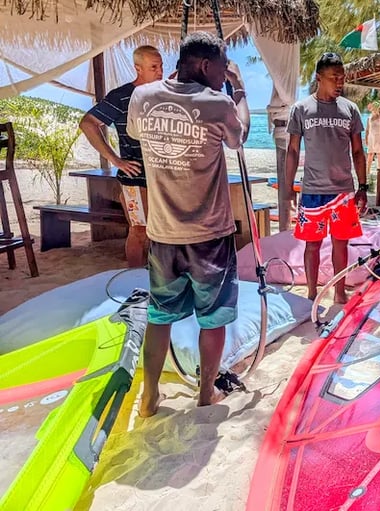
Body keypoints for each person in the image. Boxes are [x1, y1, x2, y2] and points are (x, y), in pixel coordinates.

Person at [126, 32, 250, 417]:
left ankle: (150, 396)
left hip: (163, 234)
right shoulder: (219, 103)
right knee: (212, 320)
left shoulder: (142, 98)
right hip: (209, 236)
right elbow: (240, 136)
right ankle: (205, 393)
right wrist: (240, 91)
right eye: (221, 68)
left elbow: (134, 132)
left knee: (159, 315)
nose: (223, 75)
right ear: (205, 65)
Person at [286, 52, 367, 304]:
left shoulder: (350, 110)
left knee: (341, 245)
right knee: (312, 245)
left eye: (342, 77)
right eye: (334, 78)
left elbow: (357, 150)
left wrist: (363, 186)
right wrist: (289, 187)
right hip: (312, 191)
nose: (340, 83)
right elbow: (292, 150)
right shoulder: (301, 109)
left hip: (343, 191)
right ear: (319, 78)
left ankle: (339, 292)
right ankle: (311, 293)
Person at [79, 46, 163, 268]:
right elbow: (88, 123)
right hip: (135, 177)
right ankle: (134, 279)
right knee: (139, 231)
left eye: (161, 66)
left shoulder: (166, 94)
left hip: (164, 176)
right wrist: (114, 159)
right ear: (138, 68)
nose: (160, 71)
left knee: (165, 233)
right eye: (154, 67)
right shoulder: (122, 96)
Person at [365, 101, 380, 176]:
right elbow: (367, 129)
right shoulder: (369, 117)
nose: (370, 108)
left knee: (379, 154)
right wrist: (366, 138)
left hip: (379, 136)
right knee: (370, 154)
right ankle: (367, 171)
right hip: (371, 137)